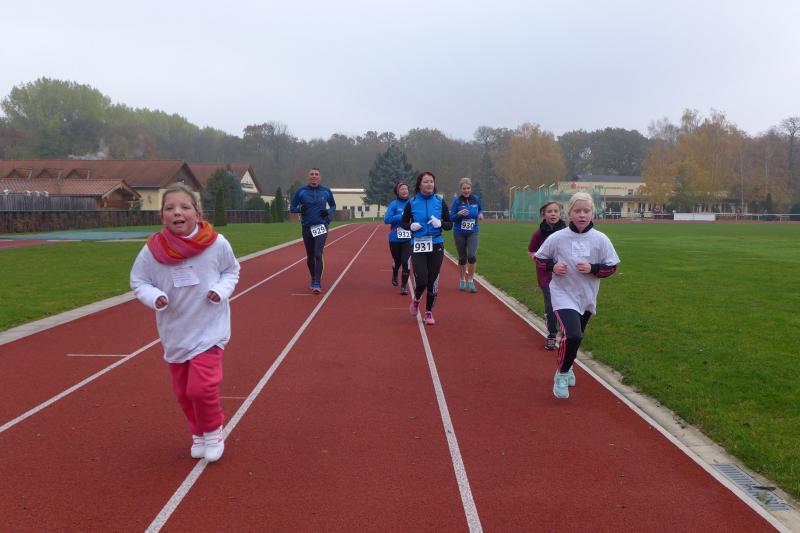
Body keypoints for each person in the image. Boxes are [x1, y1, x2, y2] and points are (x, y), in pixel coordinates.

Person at [130, 184, 240, 461]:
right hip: (175, 331)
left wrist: (221, 291)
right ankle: (198, 433)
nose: (177, 212)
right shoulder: (152, 251)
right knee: (183, 393)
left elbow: (231, 271)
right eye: (170, 208)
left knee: (200, 387)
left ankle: (213, 431)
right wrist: (155, 297)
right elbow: (139, 281)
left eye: (184, 207)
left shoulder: (216, 243)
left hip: (210, 328)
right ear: (162, 216)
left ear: (197, 213)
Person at [534, 192, 619, 399]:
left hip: (586, 296)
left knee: (575, 337)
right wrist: (553, 266)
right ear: (569, 213)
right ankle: (562, 374)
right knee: (573, 335)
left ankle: (568, 363)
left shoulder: (600, 239)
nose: (582, 215)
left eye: (586, 211)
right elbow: (539, 259)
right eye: (577, 211)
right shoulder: (557, 238)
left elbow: (611, 267)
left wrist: (593, 268)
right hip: (562, 293)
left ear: (593, 213)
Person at [400, 171, 453, 325]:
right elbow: (403, 223)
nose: (429, 184)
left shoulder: (439, 201)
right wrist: (411, 226)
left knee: (432, 280)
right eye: (426, 181)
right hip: (418, 244)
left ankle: (428, 312)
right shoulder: (412, 202)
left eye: (431, 181)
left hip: (436, 244)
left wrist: (440, 223)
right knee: (422, 279)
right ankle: (416, 299)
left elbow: (449, 224)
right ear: (419, 185)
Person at [290, 168, 337, 293]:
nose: (314, 176)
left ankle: (317, 282)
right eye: (312, 174)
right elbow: (292, 208)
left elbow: (333, 206)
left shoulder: (326, 191)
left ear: (320, 177)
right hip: (307, 227)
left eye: (316, 174)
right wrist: (300, 209)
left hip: (321, 226)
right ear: (308, 177)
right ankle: (313, 278)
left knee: (318, 253)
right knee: (310, 256)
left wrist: (328, 211)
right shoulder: (301, 191)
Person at [528, 201, 567, 350]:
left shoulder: (567, 232)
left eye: (556, 211)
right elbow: (531, 250)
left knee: (563, 305)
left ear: (560, 214)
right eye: (549, 211)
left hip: (564, 275)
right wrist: (537, 258)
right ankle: (551, 334)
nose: (553, 214)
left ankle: (566, 332)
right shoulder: (539, 234)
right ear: (543, 215)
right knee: (551, 307)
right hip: (546, 276)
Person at [450, 177, 484, 293]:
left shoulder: (476, 199)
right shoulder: (456, 201)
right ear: (460, 189)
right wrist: (458, 214)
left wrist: (480, 214)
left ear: (471, 188)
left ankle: (471, 280)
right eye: (464, 188)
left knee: (472, 256)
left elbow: (480, 209)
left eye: (468, 188)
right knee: (462, 258)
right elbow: (451, 217)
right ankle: (462, 279)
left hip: (473, 231)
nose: (466, 190)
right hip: (459, 232)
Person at [383, 181, 412, 294]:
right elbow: (387, 220)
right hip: (395, 238)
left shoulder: (412, 203)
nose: (405, 191)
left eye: (406, 189)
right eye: (402, 189)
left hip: (408, 238)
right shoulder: (394, 204)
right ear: (397, 192)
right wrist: (401, 216)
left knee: (405, 261)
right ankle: (395, 272)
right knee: (397, 260)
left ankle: (404, 286)